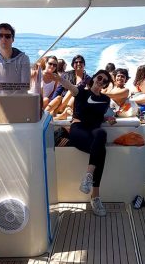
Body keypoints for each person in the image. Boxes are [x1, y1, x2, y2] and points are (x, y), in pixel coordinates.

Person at [47, 69, 115, 216]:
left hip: (94, 132)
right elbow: (68, 85)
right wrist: (58, 78)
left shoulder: (106, 99)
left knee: (102, 134)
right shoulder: (81, 92)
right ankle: (95, 197)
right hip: (78, 130)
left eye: (104, 80)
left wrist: (108, 119)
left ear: (105, 85)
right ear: (94, 78)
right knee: (101, 151)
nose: (101, 81)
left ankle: (88, 177)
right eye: (99, 77)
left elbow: (99, 116)